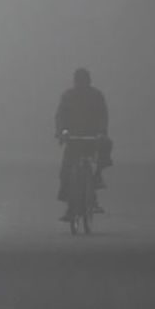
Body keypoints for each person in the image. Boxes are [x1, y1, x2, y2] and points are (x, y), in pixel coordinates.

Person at [55, 67, 113, 220]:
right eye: (79, 81)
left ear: (88, 81)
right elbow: (60, 116)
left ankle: (97, 176)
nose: (81, 84)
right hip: (73, 139)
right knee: (65, 172)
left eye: (83, 81)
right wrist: (62, 131)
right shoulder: (68, 96)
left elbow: (103, 115)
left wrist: (101, 132)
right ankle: (70, 207)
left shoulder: (96, 96)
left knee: (104, 149)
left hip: (93, 138)